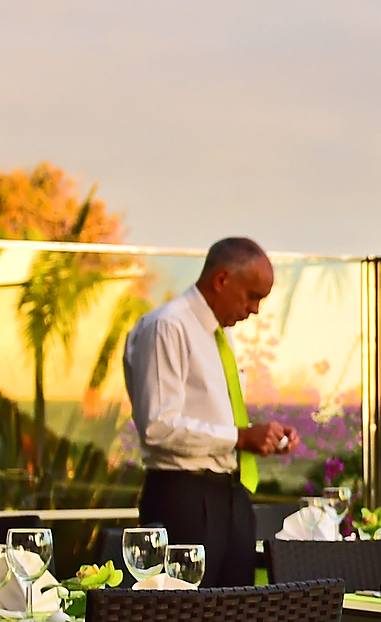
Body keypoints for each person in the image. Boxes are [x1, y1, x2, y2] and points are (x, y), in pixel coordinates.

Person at [123, 236, 296, 586]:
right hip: (184, 499)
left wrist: (261, 437)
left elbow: (213, 413)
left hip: (229, 496)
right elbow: (158, 426)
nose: (255, 310)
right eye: (252, 296)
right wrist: (239, 438)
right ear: (221, 280)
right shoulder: (167, 327)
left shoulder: (219, 334)